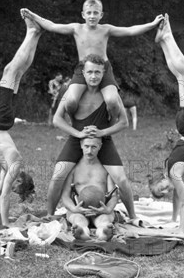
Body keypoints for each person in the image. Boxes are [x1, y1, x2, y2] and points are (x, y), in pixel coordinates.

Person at [22, 0, 163, 119]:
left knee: (112, 101)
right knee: (70, 101)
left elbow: (130, 30)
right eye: (89, 13)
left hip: (104, 68)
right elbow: (52, 26)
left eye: (96, 13)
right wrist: (32, 15)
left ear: (101, 15)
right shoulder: (76, 28)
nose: (92, 16)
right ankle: (76, 122)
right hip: (83, 68)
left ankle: (110, 122)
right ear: (83, 14)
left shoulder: (106, 29)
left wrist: (152, 24)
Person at [46, 54, 137, 220]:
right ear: (83, 73)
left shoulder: (111, 94)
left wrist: (102, 133)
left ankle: (133, 217)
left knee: (122, 180)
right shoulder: (71, 93)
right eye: (89, 72)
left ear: (103, 74)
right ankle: (48, 215)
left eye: (97, 72)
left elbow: (124, 123)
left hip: (103, 140)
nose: (93, 76)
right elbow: (57, 119)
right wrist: (78, 134)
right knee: (57, 176)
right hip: (76, 139)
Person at [148, 14, 184, 234]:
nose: (166, 190)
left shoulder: (173, 174)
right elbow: (175, 196)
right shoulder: (170, 172)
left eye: (161, 188)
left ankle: (167, 35)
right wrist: (172, 218)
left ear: (162, 178)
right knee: (182, 75)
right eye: (163, 192)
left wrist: (181, 231)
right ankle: (164, 39)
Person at [0, 10, 38, 226]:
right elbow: (4, 194)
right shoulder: (15, 166)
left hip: (2, 122)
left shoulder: (9, 167)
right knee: (11, 70)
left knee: (17, 72)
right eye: (17, 187)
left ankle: (34, 34)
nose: (12, 187)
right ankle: (32, 32)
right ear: (21, 180)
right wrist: (6, 226)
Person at [61, 137, 118, 241]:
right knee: (77, 219)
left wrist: (108, 209)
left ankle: (104, 233)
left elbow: (114, 195)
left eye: (94, 147)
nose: (89, 151)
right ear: (81, 145)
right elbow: (65, 195)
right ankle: (81, 232)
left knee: (105, 220)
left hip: (101, 209)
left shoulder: (106, 168)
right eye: (86, 146)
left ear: (100, 147)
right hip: (79, 209)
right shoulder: (73, 169)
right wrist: (74, 209)